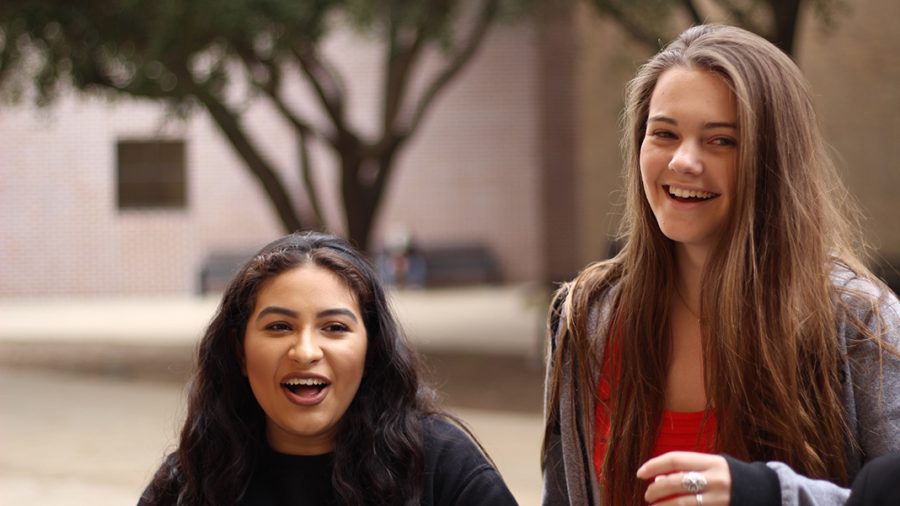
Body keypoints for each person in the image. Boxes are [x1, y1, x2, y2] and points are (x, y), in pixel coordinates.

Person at [541, 24, 900, 506]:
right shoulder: (586, 317)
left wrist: (770, 494)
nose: (684, 161)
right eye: (664, 133)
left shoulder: (859, 322)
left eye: (721, 141)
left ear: (774, 161)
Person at [139, 232, 518, 505]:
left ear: (371, 351)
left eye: (334, 328)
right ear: (240, 351)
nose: (305, 352)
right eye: (279, 327)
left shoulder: (443, 468)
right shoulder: (190, 481)